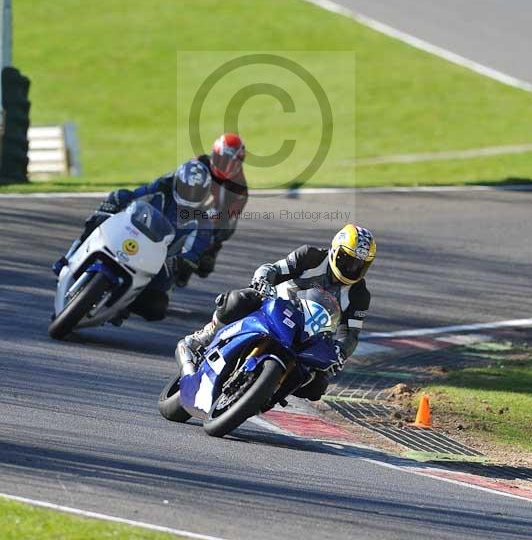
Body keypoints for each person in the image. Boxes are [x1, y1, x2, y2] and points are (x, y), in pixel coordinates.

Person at [177, 223, 376, 401]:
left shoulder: (359, 295)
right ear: (335, 250)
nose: (352, 268)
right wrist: (263, 281)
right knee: (239, 299)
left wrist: (341, 351)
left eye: (360, 265)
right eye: (347, 260)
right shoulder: (311, 256)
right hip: (277, 307)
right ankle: (205, 336)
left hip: (309, 333)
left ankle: (271, 391)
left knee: (318, 385)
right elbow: (273, 269)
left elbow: (350, 333)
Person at [53, 160, 214, 320]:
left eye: (195, 192)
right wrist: (115, 201)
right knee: (98, 221)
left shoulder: (202, 222)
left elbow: (194, 250)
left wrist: (182, 261)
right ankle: (68, 258)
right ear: (177, 183)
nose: (189, 194)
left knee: (156, 308)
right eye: (186, 188)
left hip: (158, 261)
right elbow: (132, 197)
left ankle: (121, 306)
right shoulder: (160, 190)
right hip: (131, 237)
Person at [195, 133, 248, 277]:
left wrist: (217, 219)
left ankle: (212, 249)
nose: (229, 166)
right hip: (189, 211)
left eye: (234, 162)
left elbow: (232, 214)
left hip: (216, 219)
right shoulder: (199, 163)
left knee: (205, 267)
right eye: (224, 160)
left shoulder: (239, 185)